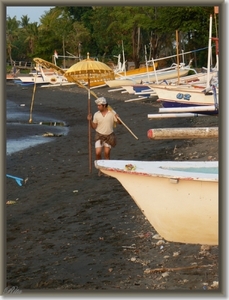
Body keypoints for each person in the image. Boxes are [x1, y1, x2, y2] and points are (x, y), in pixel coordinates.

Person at [87, 97, 121, 161]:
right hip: (99, 135)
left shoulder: (112, 113)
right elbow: (94, 126)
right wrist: (90, 121)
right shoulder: (96, 114)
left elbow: (119, 123)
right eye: (97, 105)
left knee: (107, 153)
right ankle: (100, 168)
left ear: (104, 105)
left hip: (109, 136)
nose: (98, 107)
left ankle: (106, 168)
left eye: (99, 106)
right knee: (98, 153)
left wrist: (118, 118)